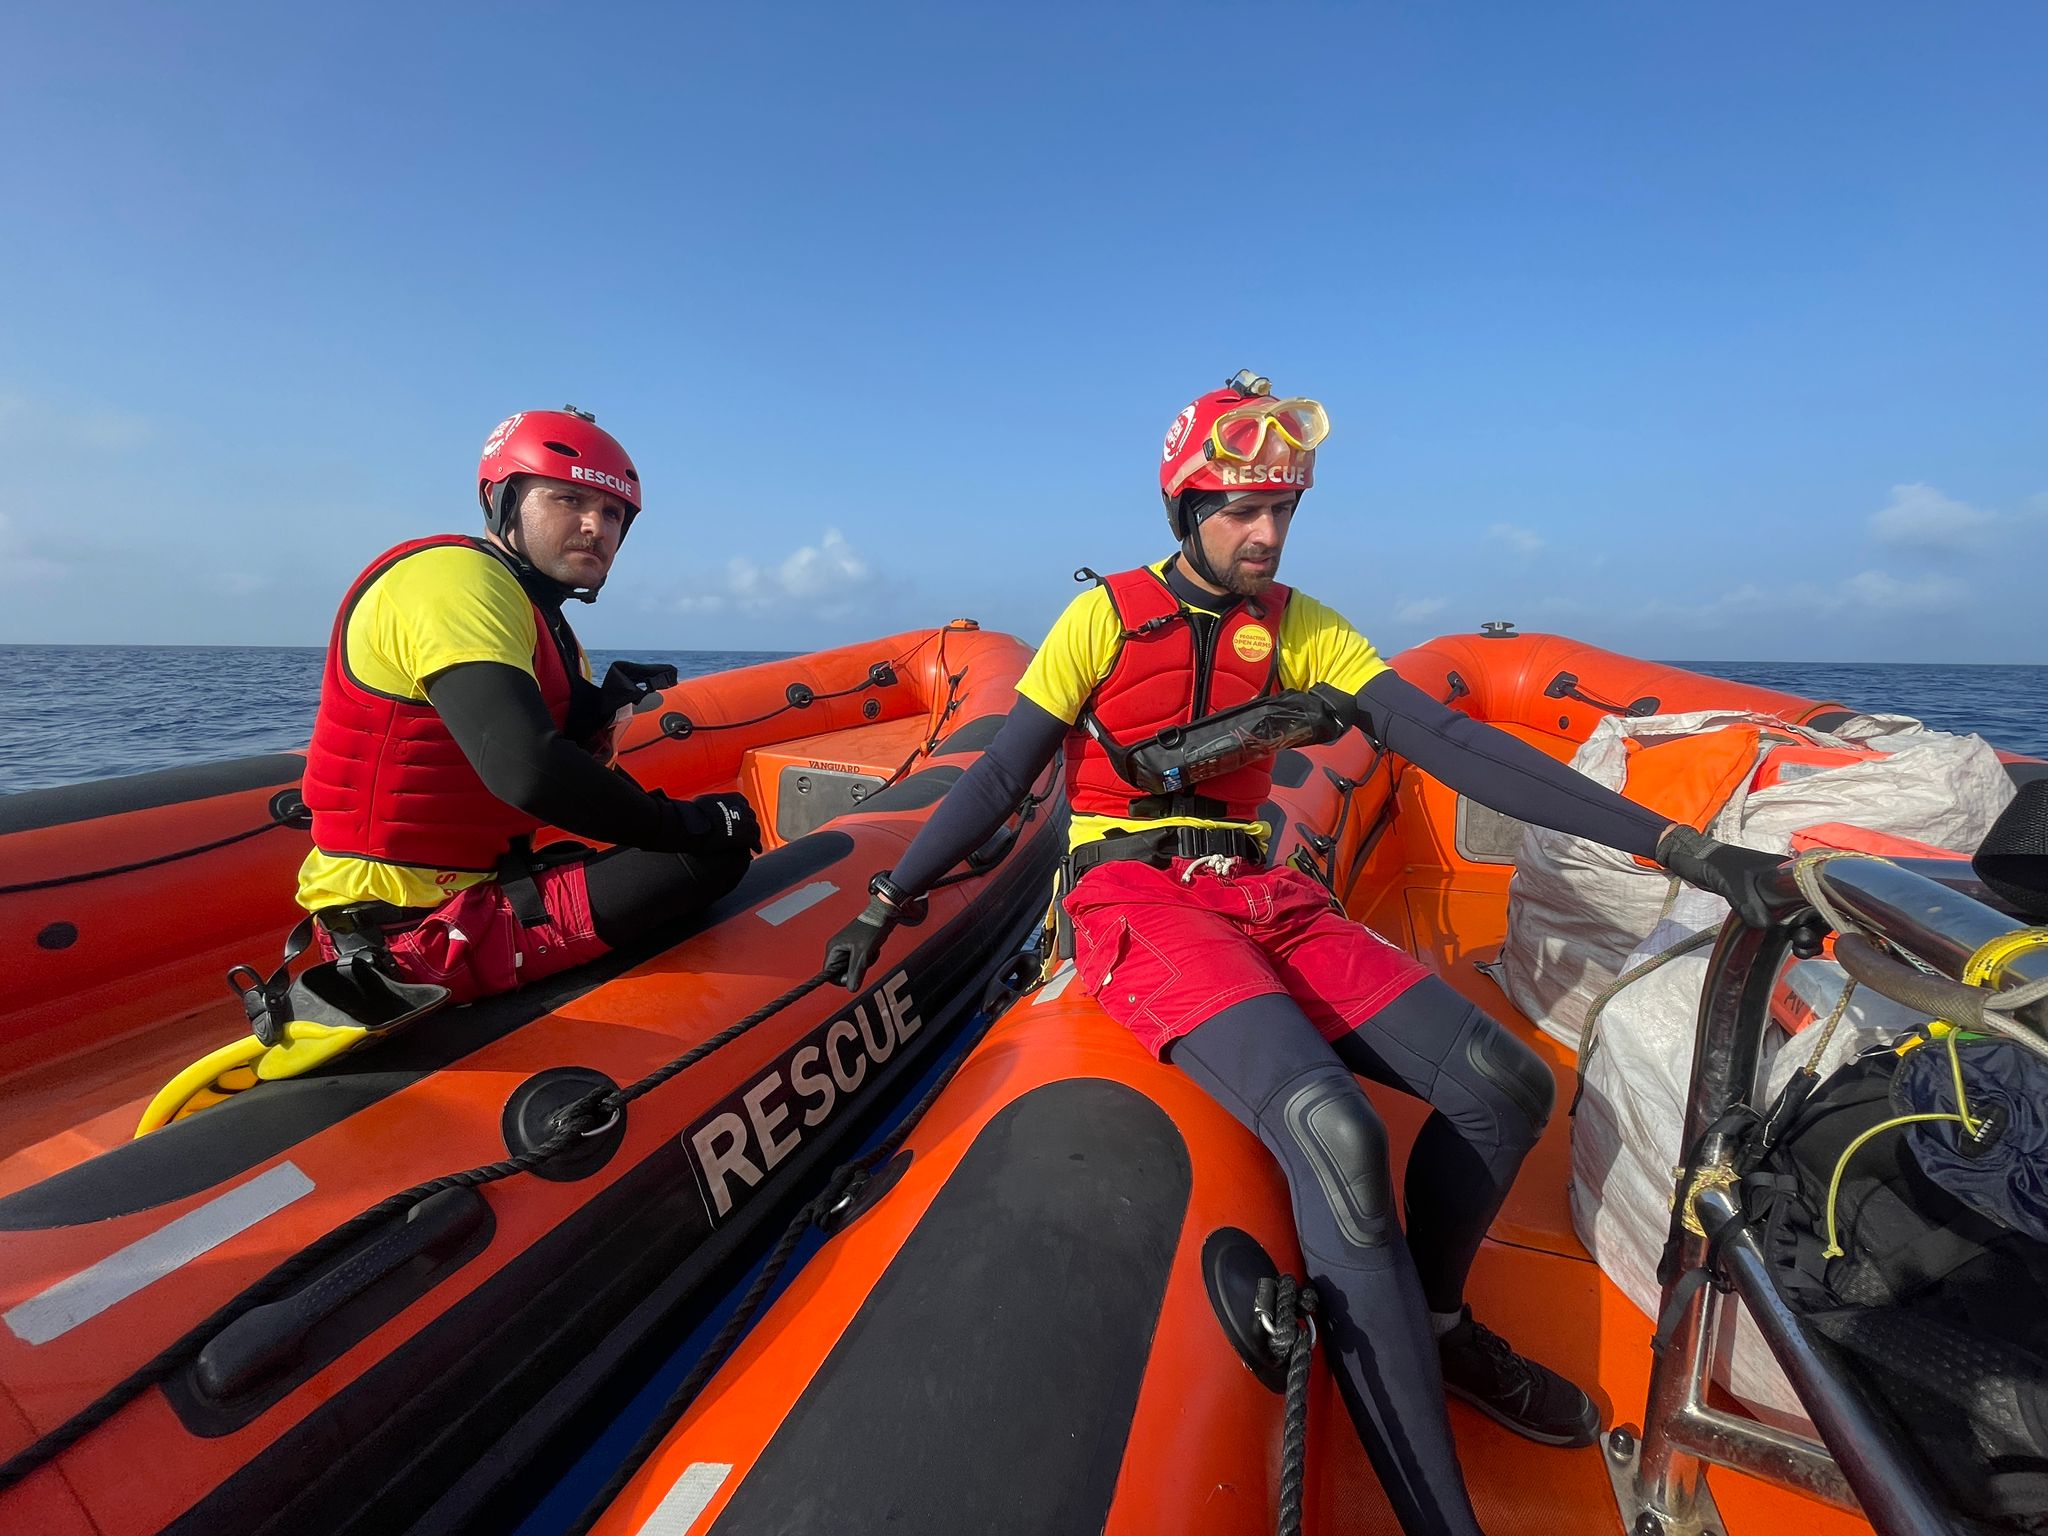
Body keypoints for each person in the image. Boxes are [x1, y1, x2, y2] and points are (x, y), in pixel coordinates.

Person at [821, 373, 1782, 1536]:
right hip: (1132, 892)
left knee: (1503, 1085)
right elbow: (996, 774)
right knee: (1333, 1130)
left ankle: (1430, 1328)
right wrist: (890, 892)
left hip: (1258, 886)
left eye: (1282, 509)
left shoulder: (1300, 628)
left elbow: (1443, 737)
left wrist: (1680, 846)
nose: (1265, 534)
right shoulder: (1101, 620)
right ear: (1186, 509)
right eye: (1239, 509)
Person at [293, 407, 761, 1008]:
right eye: (569, 500)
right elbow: (526, 769)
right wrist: (685, 824)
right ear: (502, 499)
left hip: (475, 886)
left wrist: (598, 710)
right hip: (403, 928)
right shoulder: (453, 580)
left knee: (699, 830)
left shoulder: (546, 624)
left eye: (613, 513)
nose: (596, 526)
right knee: (712, 852)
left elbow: (551, 765)